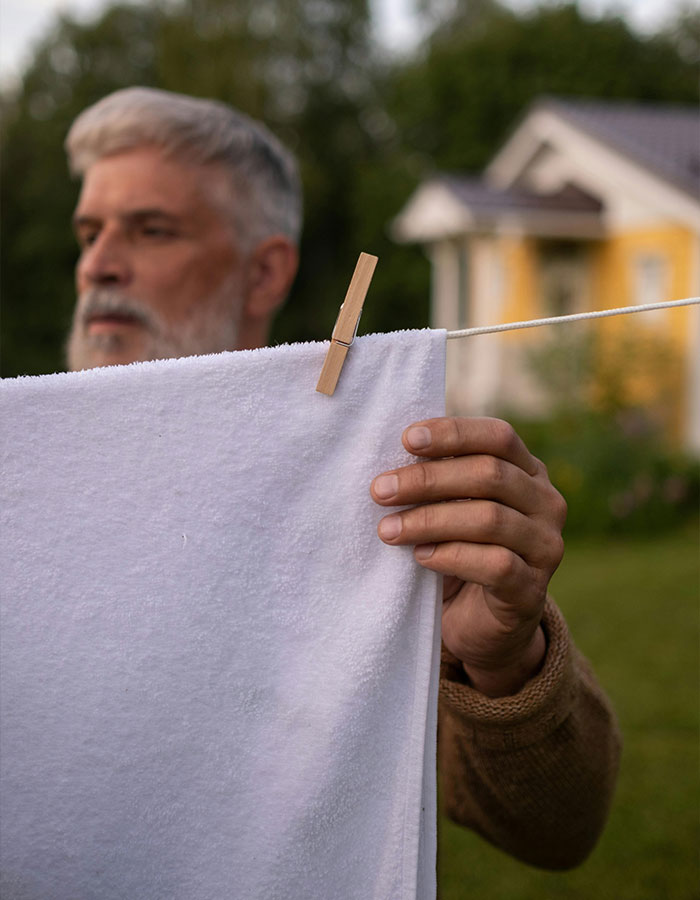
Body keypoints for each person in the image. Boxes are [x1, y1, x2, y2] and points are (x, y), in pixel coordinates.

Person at [65, 86, 621, 869]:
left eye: (150, 230)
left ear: (265, 274)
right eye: (88, 232)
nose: (98, 265)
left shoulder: (368, 492)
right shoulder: (24, 486)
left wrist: (501, 665)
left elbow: (559, 829)